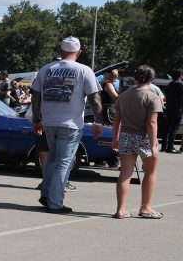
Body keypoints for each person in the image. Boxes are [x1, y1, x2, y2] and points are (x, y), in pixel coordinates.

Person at [29, 36, 103, 214]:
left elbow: (35, 97)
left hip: (49, 122)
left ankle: (46, 195)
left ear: (61, 51)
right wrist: (99, 121)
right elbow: (94, 98)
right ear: (79, 52)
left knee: (53, 159)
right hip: (70, 124)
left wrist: (36, 120)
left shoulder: (45, 69)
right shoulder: (84, 70)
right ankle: (55, 203)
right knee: (64, 163)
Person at [112, 65, 163, 219]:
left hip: (126, 135)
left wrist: (115, 138)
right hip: (144, 138)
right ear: (152, 79)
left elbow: (116, 119)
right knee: (150, 171)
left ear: (135, 77)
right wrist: (154, 145)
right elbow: (151, 123)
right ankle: (146, 208)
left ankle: (121, 210)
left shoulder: (124, 95)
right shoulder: (152, 97)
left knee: (125, 173)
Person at [161, 68, 183, 153]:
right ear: (181, 75)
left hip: (169, 110)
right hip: (177, 110)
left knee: (167, 129)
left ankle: (164, 147)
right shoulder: (180, 84)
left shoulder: (170, 84)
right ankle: (170, 147)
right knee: (174, 129)